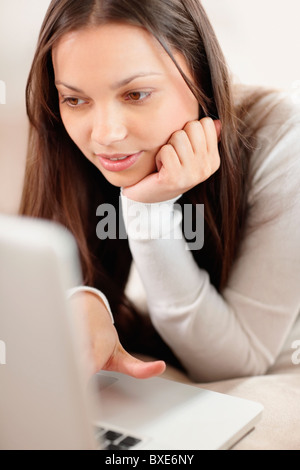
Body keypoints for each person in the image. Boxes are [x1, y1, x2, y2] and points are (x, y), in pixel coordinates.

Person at [20, 0, 300, 382]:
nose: (105, 134)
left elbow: (234, 363)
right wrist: (83, 299)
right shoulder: (64, 146)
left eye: (136, 94)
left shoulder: (285, 138)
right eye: (75, 99)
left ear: (201, 76)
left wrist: (147, 210)